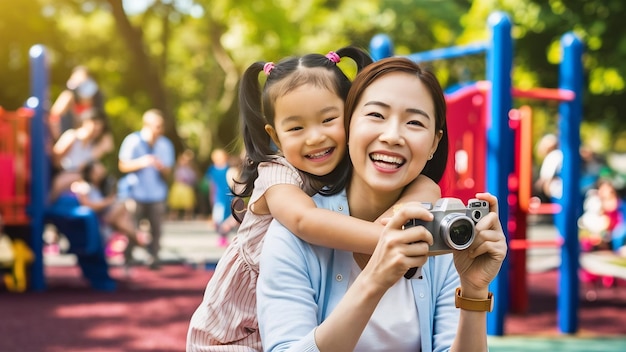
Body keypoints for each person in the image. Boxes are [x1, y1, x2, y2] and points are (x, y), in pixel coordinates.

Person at [186, 48, 441, 351]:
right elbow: (306, 221)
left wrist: (421, 199)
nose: (315, 137)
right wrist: (390, 239)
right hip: (232, 336)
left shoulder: (345, 165)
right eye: (296, 128)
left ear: (350, 117)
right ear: (276, 137)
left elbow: (427, 186)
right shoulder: (278, 175)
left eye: (328, 119)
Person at [256, 57, 507, 351]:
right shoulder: (292, 235)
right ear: (348, 125)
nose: (392, 136)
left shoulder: (447, 236)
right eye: (376, 115)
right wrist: (374, 278)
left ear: (434, 144)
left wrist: (474, 292)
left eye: (414, 122)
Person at [118, 109, 175, 270]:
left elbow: (169, 171)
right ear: (147, 125)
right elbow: (122, 165)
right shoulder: (132, 141)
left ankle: (153, 258)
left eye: (161, 126)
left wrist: (160, 167)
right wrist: (142, 162)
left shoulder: (165, 144)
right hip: (135, 193)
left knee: (156, 229)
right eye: (157, 126)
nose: (160, 129)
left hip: (156, 193)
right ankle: (128, 257)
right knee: (131, 228)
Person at [71, 160, 141, 263]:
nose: (100, 172)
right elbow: (87, 205)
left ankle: (134, 237)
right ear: (90, 173)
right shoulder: (84, 186)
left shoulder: (101, 186)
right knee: (121, 210)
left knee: (122, 213)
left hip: (105, 219)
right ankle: (137, 238)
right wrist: (107, 202)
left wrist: (109, 202)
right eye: (97, 170)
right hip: (98, 220)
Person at [49, 107, 114, 202]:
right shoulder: (72, 136)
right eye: (94, 124)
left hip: (77, 178)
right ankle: (47, 205)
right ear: (86, 122)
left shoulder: (91, 145)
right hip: (59, 176)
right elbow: (55, 159)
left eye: (99, 127)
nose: (96, 129)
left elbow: (86, 165)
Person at [49, 66, 105, 141]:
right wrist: (59, 139)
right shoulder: (68, 97)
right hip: (66, 140)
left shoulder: (96, 101)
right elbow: (53, 116)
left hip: (85, 143)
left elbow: (99, 128)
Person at [205, 148, 235, 247]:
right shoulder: (212, 170)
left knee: (228, 217)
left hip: (228, 196)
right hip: (218, 197)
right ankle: (221, 236)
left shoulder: (229, 168)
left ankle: (224, 237)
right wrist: (211, 196)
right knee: (218, 218)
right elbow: (211, 184)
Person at [168, 149, 198, 220]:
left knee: (188, 202)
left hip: (187, 187)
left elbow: (194, 178)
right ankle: (174, 214)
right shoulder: (178, 168)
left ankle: (188, 215)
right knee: (175, 202)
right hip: (178, 186)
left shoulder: (191, 169)